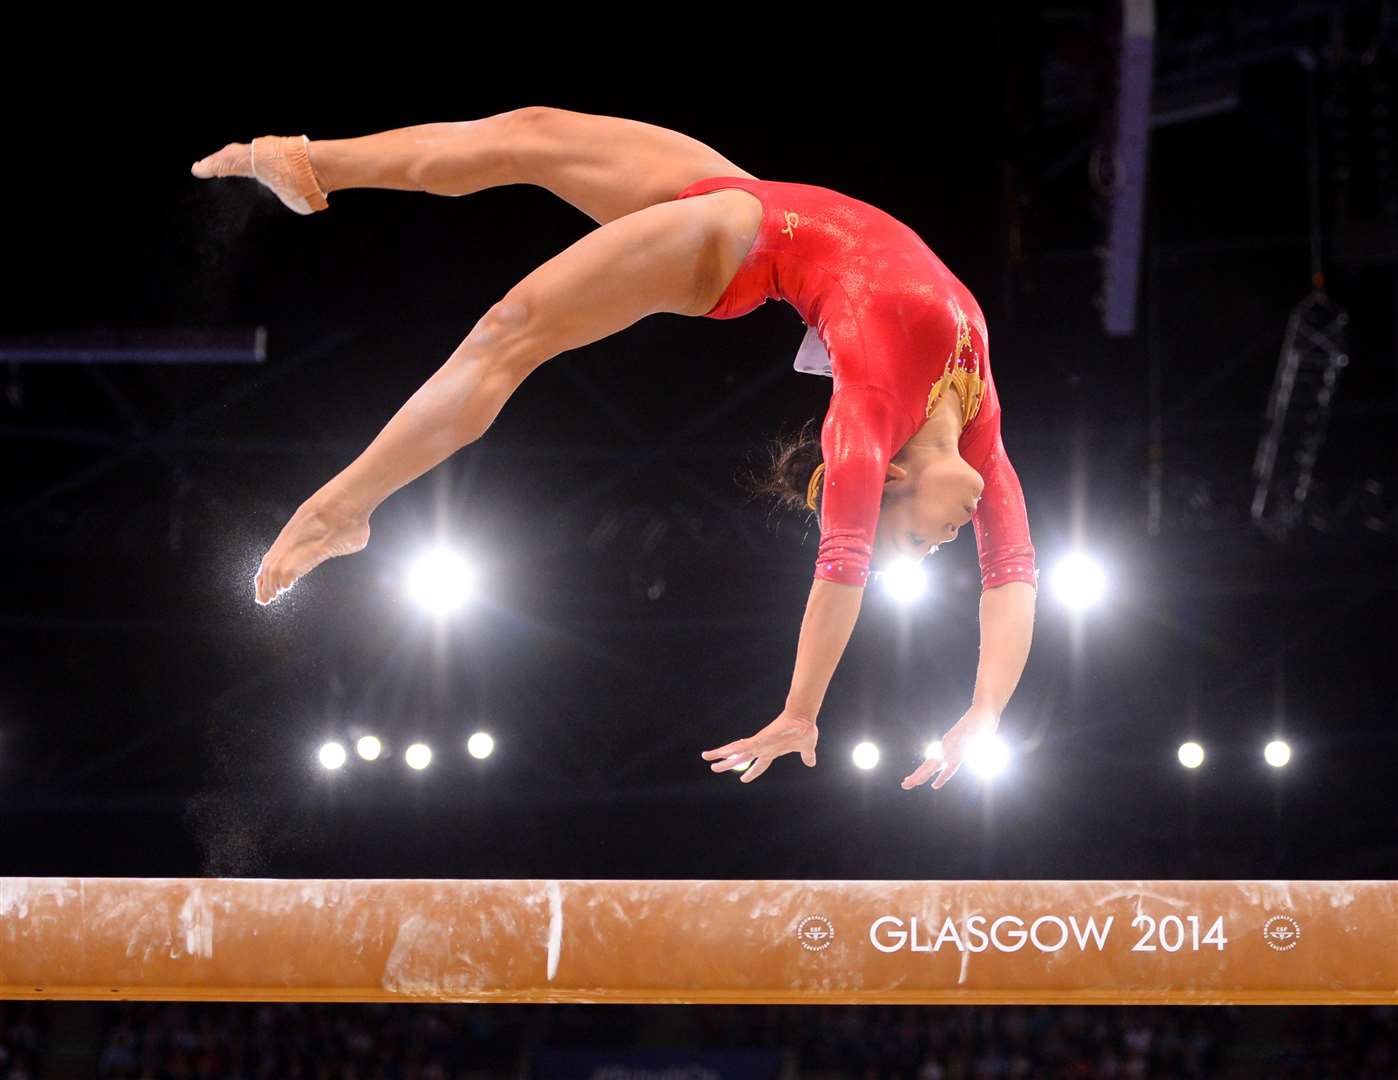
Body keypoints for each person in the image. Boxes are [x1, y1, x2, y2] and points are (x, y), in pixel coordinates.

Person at [191, 106, 1037, 792]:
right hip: (757, 198)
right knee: (527, 133)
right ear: (894, 481)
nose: (948, 542)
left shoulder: (864, 423)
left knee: (508, 333)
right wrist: (986, 711)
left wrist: (803, 710)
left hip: (736, 244)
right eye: (925, 543)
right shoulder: (979, 430)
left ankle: (340, 509)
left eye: (922, 543)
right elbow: (1016, 577)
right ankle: (311, 164)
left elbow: (842, 567)